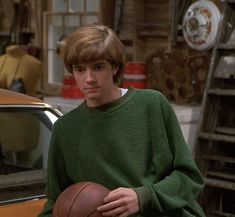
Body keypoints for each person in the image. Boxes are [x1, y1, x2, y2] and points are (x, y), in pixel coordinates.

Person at [38, 24, 205, 217]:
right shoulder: (65, 129)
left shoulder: (151, 104)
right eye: (80, 69)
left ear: (115, 68)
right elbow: (55, 202)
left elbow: (190, 178)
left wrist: (143, 196)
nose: (88, 78)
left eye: (98, 67)